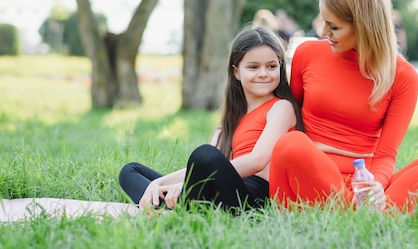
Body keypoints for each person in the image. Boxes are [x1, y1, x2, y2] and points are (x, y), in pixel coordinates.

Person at [269, 0, 418, 214]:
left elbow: (386, 156)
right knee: (291, 143)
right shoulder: (307, 54)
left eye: (334, 27)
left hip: (362, 184)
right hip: (307, 177)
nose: (324, 32)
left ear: (363, 26)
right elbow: (289, 123)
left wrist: (375, 188)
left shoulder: (403, 76)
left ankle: (363, 214)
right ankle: (371, 219)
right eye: (323, 22)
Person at [119, 25, 302, 212]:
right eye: (253, 67)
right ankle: (171, 205)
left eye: (271, 66)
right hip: (217, 191)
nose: (263, 73)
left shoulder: (281, 107)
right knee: (130, 171)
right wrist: (158, 183)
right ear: (236, 72)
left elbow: (257, 160)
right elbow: (206, 169)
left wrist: (187, 183)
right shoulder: (229, 121)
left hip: (250, 199)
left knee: (205, 155)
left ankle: (170, 205)